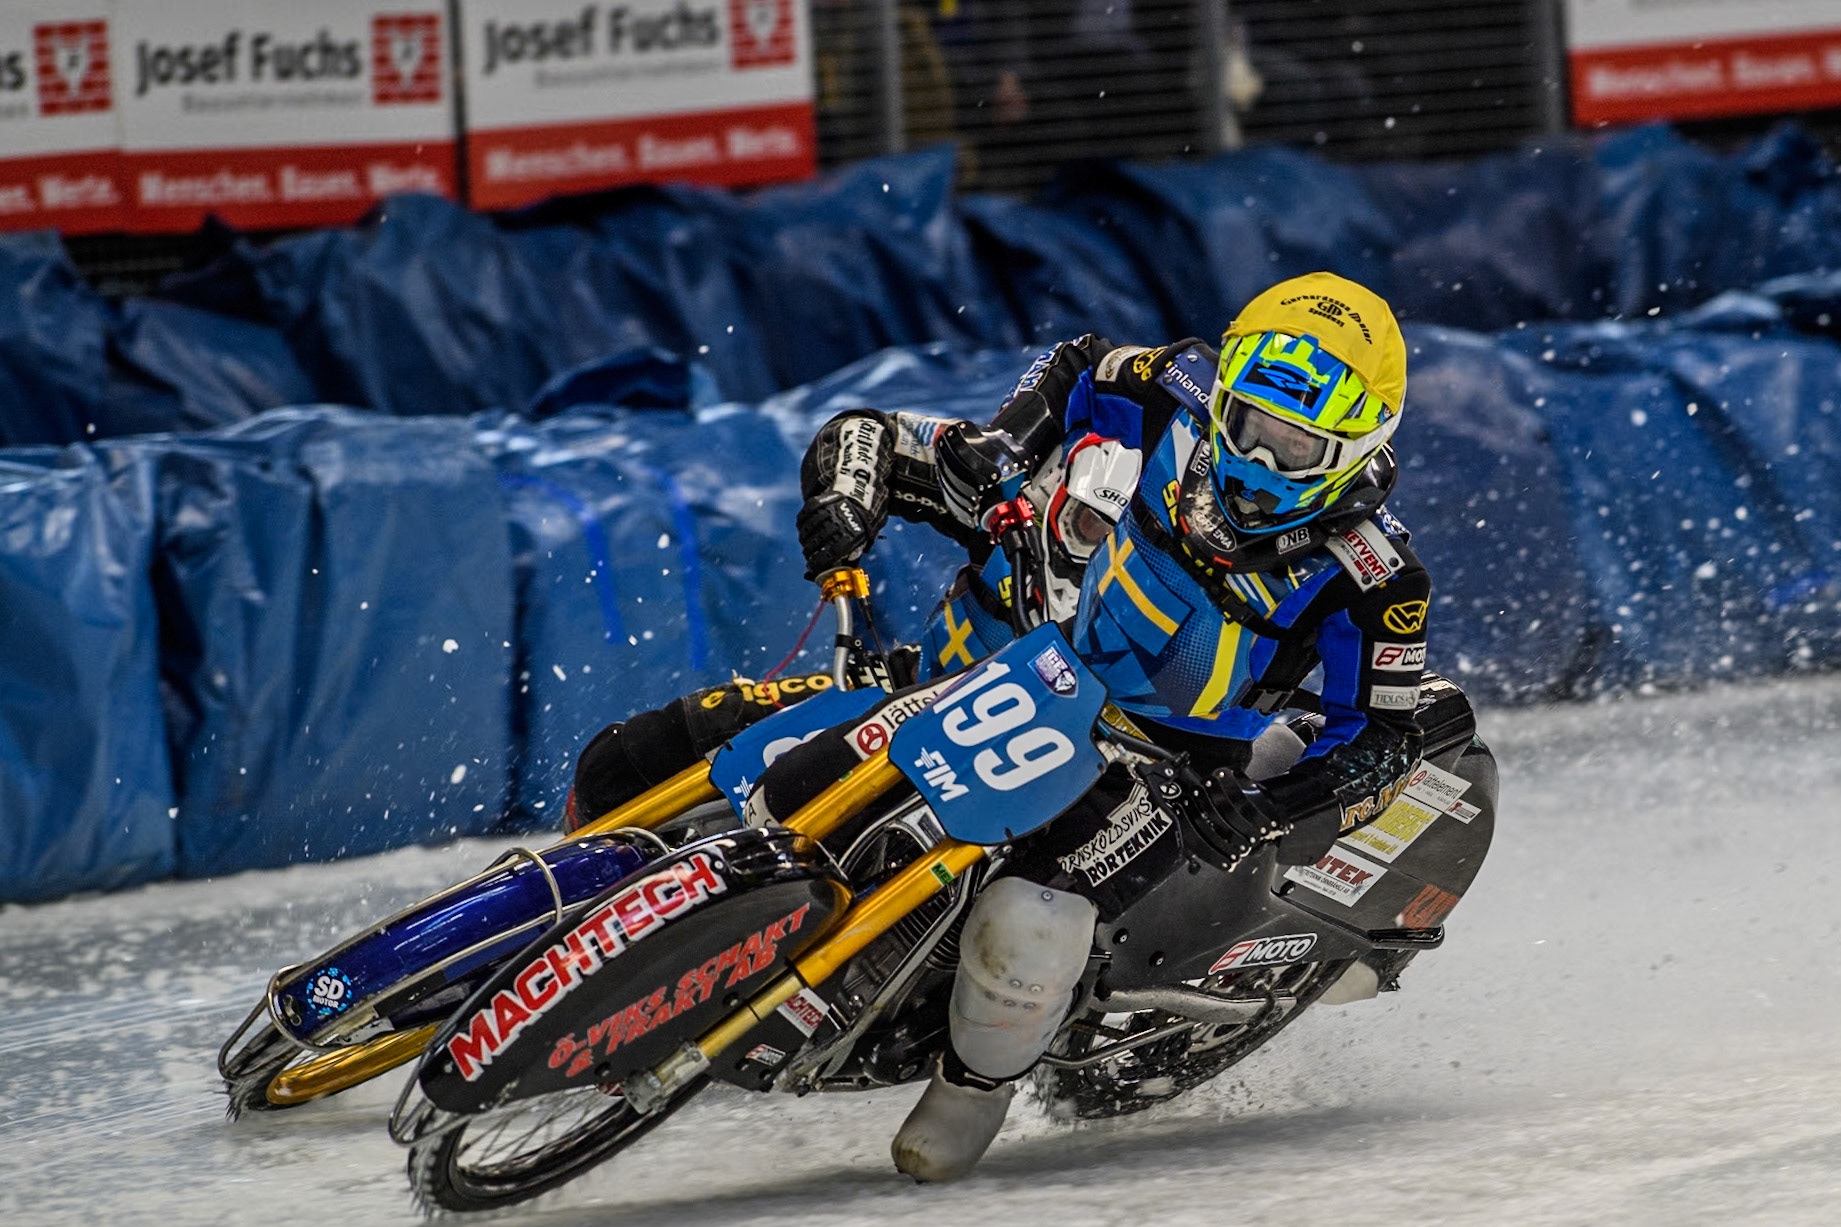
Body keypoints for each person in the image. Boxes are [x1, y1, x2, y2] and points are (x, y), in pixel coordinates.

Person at [568, 272, 1430, 1183]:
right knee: (632, 757)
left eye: (1295, 444)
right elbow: (1034, 379)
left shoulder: (1375, 577)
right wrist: (900, 486)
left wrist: (1261, 807)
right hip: (956, 686)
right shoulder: (1123, 416)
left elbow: (1382, 737)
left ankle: (973, 1086)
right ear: (1219, 397)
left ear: (1353, 444)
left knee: (1025, 918)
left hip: (1157, 767)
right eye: (1249, 425)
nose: (1257, 461)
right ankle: (557, 933)